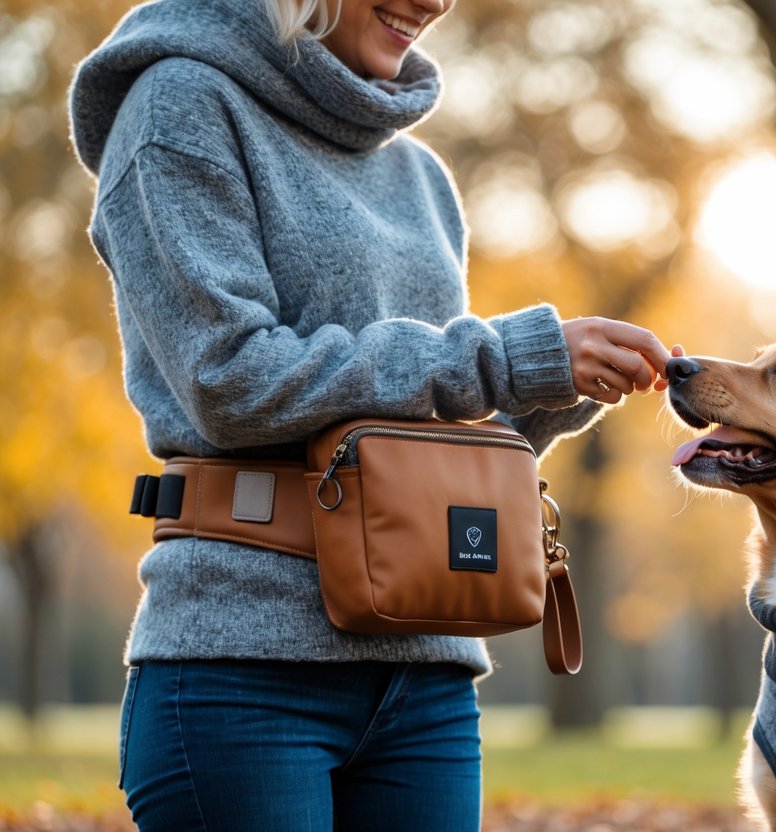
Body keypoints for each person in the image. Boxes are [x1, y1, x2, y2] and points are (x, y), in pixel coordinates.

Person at [68, 0, 673, 829]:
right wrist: (503, 358)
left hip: (426, 672)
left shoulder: (422, 176)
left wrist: (548, 387)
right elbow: (232, 382)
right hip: (244, 668)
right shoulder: (180, 105)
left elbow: (412, 436)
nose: (436, 3)